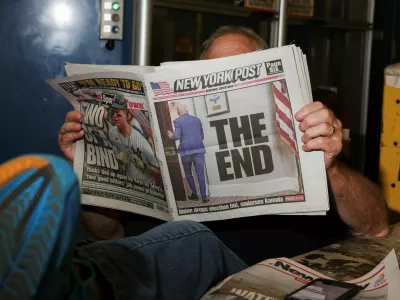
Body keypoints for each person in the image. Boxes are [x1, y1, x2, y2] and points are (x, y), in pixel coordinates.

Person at [58, 25, 389, 264]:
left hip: (246, 275)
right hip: (154, 274)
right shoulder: (172, 130)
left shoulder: (307, 134)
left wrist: (330, 167)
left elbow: (375, 225)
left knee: (196, 242)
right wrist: (85, 172)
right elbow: (108, 234)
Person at [0, 154, 247, 300]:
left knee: (198, 241)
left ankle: (74, 279)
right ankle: (74, 277)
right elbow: (106, 235)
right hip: (144, 282)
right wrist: (86, 167)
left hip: (265, 276)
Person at [167, 103, 208, 203]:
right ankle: (204, 197)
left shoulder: (177, 121)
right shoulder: (197, 120)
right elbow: (201, 136)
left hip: (186, 152)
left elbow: (176, 136)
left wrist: (170, 135)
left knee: (188, 173)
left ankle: (194, 194)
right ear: (187, 110)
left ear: (178, 112)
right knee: (200, 174)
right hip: (199, 150)